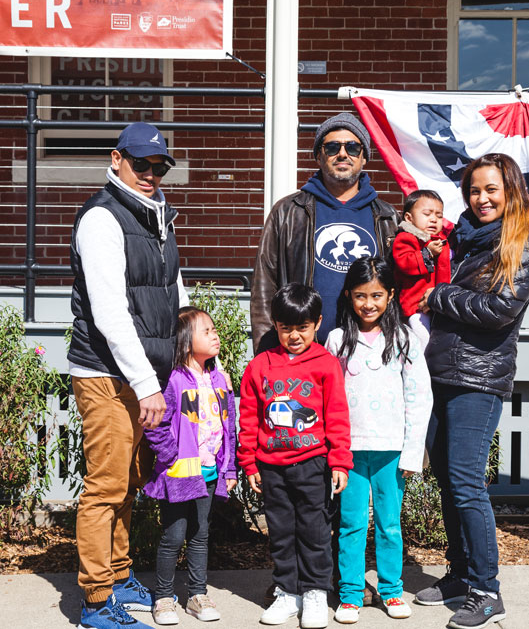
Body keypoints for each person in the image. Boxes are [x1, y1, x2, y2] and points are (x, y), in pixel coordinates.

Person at [414, 153, 529, 629]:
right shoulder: (458, 238)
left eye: (491, 189)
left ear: (510, 190)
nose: (482, 198)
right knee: (448, 481)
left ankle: (488, 591)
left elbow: (501, 309)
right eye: (474, 190)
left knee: (467, 483)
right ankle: (461, 573)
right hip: (439, 372)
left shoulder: (521, 241)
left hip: (479, 379)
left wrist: (440, 296)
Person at [68, 122, 188, 629]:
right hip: (105, 374)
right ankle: (96, 601)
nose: (151, 174)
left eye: (160, 167)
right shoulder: (102, 219)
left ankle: (118, 577)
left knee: (129, 483)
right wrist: (145, 384)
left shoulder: (157, 216)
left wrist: (189, 360)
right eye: (142, 164)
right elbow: (110, 313)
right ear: (116, 159)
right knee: (104, 488)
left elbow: (173, 293)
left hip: (146, 374)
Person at [324, 258, 433, 624]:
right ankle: (351, 594)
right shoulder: (337, 340)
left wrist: (413, 450)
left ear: (390, 296)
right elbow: (329, 397)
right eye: (360, 296)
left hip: (391, 449)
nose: (368, 303)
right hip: (350, 451)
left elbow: (420, 395)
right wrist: (332, 449)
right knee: (351, 524)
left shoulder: (404, 339)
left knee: (389, 524)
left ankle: (391, 590)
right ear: (348, 296)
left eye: (376, 295)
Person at [237, 283, 352, 629]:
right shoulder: (260, 366)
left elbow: (337, 415)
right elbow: (248, 416)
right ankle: (288, 592)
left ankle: (316, 591)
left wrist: (339, 461)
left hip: (313, 463)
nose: (294, 335)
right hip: (272, 467)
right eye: (286, 328)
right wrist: (249, 461)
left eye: (302, 327)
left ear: (317, 324)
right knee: (282, 532)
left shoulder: (326, 364)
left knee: (315, 531)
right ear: (275, 324)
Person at [251, 112, 398, 352]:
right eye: (332, 147)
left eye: (352, 147)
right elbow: (264, 284)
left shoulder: (387, 216)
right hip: (302, 353)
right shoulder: (289, 211)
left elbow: (398, 286)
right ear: (319, 156)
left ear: (364, 158)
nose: (343, 153)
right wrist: (267, 351)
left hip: (368, 352)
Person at [143, 307, 238, 626]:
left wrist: (229, 469)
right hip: (180, 474)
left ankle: (197, 594)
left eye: (214, 330)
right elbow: (155, 424)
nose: (215, 335)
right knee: (174, 536)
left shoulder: (219, 378)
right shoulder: (173, 380)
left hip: (211, 472)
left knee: (200, 534)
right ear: (185, 341)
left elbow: (230, 425)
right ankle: (164, 598)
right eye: (206, 331)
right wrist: (170, 455)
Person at [391, 190, 451, 347]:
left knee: (438, 339)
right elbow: (405, 263)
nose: (434, 219)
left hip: (439, 303)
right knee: (423, 339)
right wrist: (427, 253)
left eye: (439, 215)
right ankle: (420, 368)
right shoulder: (406, 238)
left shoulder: (442, 240)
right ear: (409, 218)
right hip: (415, 305)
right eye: (427, 214)